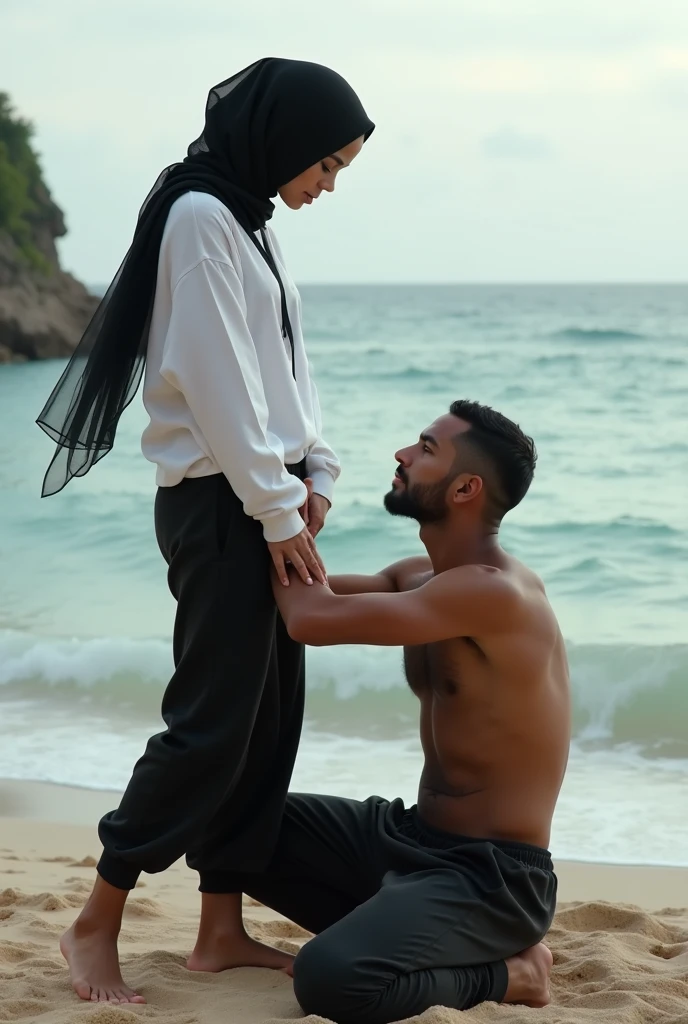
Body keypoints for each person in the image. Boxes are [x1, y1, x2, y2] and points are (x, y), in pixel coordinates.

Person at [35, 58, 374, 1003]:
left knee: (268, 723)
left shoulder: (246, 219)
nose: (328, 184)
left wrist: (317, 471)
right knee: (210, 728)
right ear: (287, 137)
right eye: (329, 164)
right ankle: (94, 920)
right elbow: (213, 379)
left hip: (261, 500)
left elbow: (283, 369)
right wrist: (273, 507)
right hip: (221, 508)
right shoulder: (199, 218)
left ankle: (218, 930)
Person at [213, 400, 571, 1024]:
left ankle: (514, 973)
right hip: (407, 839)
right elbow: (301, 586)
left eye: (426, 448)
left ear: (465, 488)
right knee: (220, 805)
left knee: (331, 979)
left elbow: (310, 619)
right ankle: (395, 932)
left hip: (490, 878)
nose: (402, 455)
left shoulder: (494, 592)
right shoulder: (418, 576)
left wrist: (277, 516)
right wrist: (261, 503)